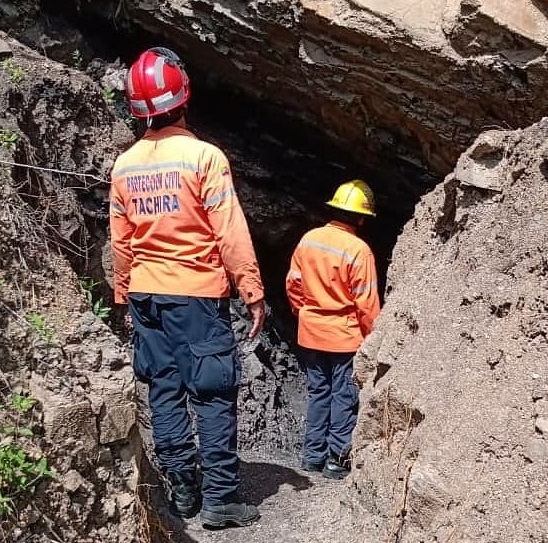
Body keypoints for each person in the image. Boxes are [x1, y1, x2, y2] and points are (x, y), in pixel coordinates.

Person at [109, 47, 264, 528]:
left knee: (165, 391)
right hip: (195, 294)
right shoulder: (204, 158)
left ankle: (183, 491)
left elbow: (121, 240)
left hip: (145, 296)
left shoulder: (124, 166)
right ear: (184, 97)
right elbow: (229, 229)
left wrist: (122, 293)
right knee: (214, 392)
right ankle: (220, 500)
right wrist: (251, 289)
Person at [285, 180, 381, 480]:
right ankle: (336, 460)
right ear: (362, 218)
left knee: (318, 393)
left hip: (311, 333)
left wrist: (304, 313)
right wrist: (372, 339)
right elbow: (367, 303)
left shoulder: (309, 239)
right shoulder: (359, 250)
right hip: (345, 337)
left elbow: (293, 285)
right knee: (344, 397)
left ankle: (311, 457)